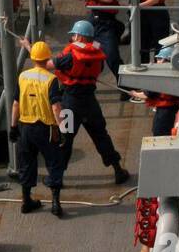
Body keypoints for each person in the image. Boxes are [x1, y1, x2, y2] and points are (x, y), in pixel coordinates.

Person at [50, 21, 131, 186]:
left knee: (65, 139)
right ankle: (117, 170)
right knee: (101, 136)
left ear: (79, 36)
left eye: (73, 35)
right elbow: (98, 68)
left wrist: (30, 48)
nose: (72, 38)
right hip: (90, 102)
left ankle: (57, 178)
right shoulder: (97, 53)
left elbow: (46, 64)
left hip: (70, 102)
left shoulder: (69, 57)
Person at [10, 40, 64, 217]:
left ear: (32, 58)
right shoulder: (51, 79)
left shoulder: (23, 76)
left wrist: (13, 126)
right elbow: (56, 107)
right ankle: (55, 203)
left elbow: (16, 104)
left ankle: (26, 201)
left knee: (26, 164)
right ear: (47, 57)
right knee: (54, 162)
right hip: (46, 128)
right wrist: (62, 128)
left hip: (25, 128)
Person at [68, 0, 123, 84]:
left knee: (111, 55)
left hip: (106, 25)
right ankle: (82, 79)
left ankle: (126, 86)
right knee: (84, 48)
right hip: (93, 23)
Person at [145, 46, 179, 136]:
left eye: (160, 59)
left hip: (164, 113)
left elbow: (149, 94)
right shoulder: (177, 76)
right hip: (173, 110)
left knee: (159, 133)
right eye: (158, 59)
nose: (158, 61)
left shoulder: (161, 80)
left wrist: (133, 93)